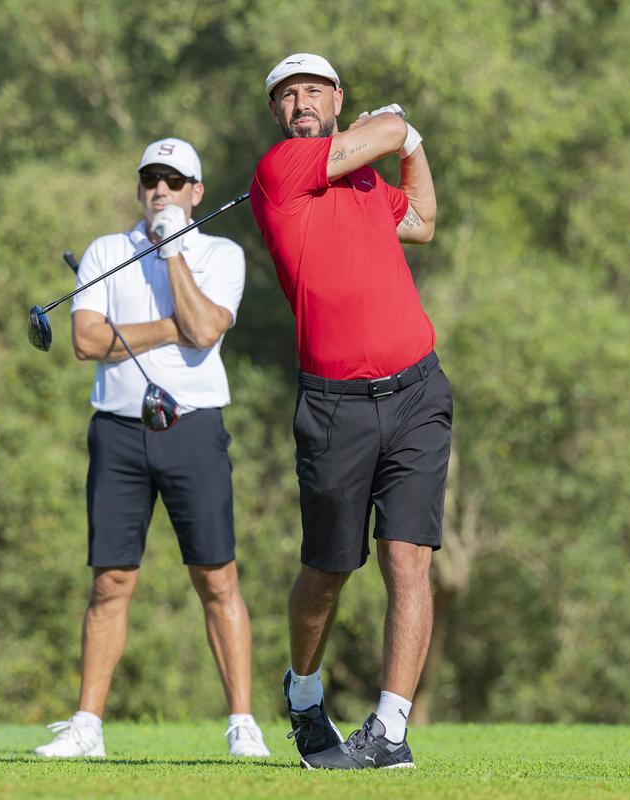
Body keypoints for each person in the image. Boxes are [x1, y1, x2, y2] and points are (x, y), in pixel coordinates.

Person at [35, 137, 269, 759]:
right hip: (117, 429)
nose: (159, 190)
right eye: (149, 180)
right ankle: (87, 726)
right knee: (110, 580)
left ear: (196, 191)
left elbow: (204, 326)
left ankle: (242, 723)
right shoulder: (106, 252)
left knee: (217, 578)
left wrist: (170, 257)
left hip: (193, 427)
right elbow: (87, 340)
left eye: (172, 179)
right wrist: (175, 330)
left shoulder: (222, 254)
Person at [249, 54, 451, 770]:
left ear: (336, 98)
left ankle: (389, 732)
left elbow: (423, 219)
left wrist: (412, 144)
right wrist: (395, 127)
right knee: (328, 569)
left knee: (409, 559)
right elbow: (389, 128)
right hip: (336, 408)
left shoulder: (364, 181)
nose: (300, 102)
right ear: (278, 114)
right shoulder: (280, 172)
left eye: (313, 90)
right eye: (287, 95)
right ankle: (303, 693)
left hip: (418, 392)